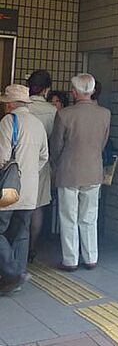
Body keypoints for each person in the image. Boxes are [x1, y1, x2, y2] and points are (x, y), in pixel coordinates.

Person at [49, 74, 110, 271]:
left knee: (68, 217)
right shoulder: (105, 114)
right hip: (93, 169)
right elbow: (103, 142)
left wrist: (56, 163)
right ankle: (91, 257)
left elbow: (56, 146)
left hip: (68, 171)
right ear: (92, 90)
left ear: (74, 92)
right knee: (89, 216)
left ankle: (70, 260)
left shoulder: (64, 114)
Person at [0, 84, 48, 294]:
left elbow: (2, 157)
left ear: (10, 104)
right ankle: (17, 277)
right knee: (21, 232)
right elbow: (44, 156)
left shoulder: (8, 121)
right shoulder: (37, 124)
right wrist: (28, 173)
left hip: (9, 190)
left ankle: (12, 274)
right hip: (30, 189)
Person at [26, 70, 57, 262]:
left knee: (18, 207)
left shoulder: (22, 108)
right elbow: (55, 140)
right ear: (46, 89)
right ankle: (32, 248)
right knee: (37, 208)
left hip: (19, 163)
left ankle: (16, 247)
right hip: (42, 163)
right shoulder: (52, 111)